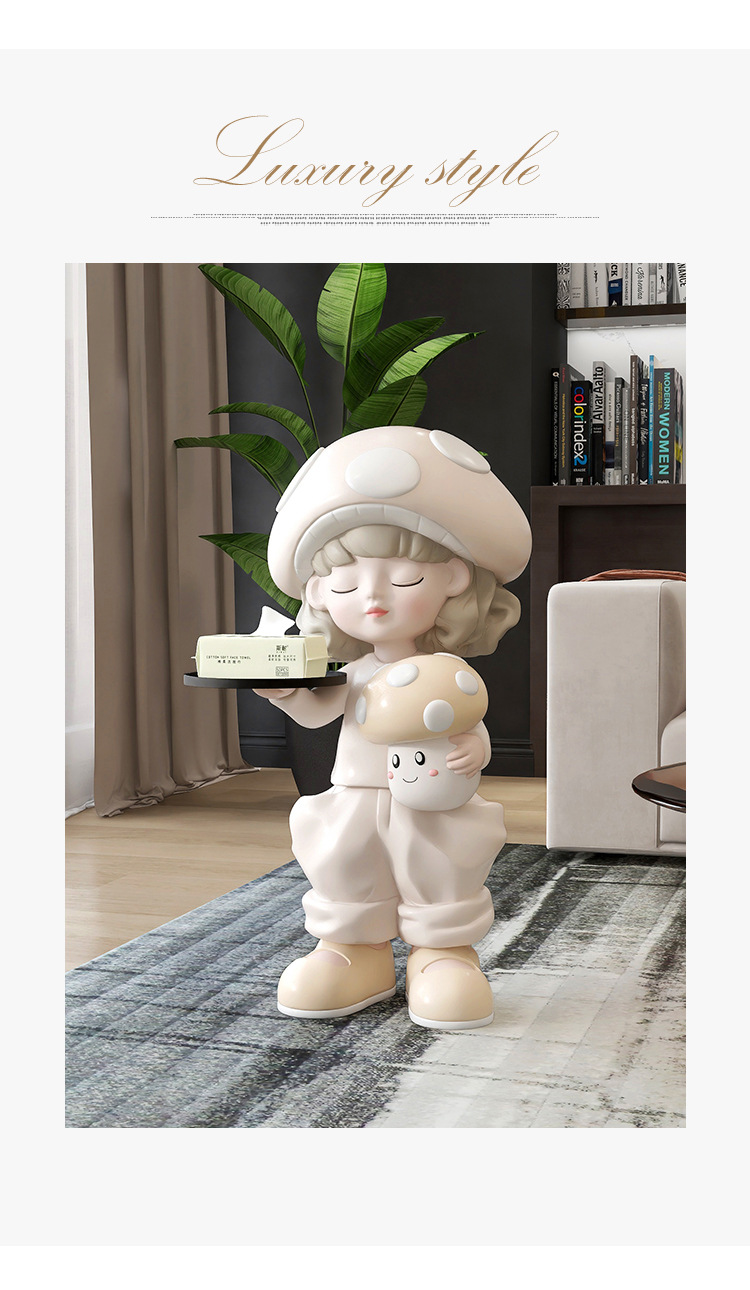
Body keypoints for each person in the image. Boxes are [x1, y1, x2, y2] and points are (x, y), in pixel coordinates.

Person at [255, 426, 531, 1029]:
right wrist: (284, 692)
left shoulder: (447, 672)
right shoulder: (353, 671)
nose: (373, 598)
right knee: (346, 861)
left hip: (428, 797)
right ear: (320, 592)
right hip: (354, 794)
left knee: (437, 862)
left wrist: (473, 747)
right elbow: (319, 712)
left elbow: (469, 722)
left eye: (404, 579)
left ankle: (442, 952)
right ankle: (353, 950)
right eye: (347, 583)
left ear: (454, 579)